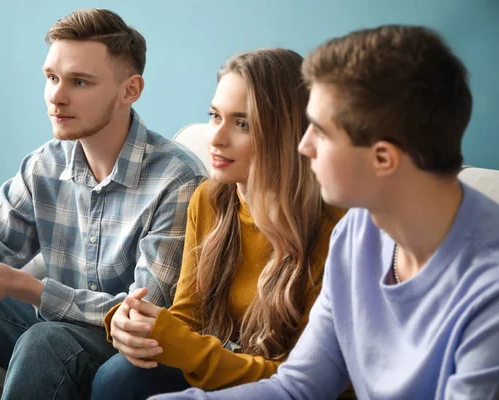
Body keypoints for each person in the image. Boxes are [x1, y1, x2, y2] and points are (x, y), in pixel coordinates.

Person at [153, 25, 499, 400]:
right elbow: (299, 387)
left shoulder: (488, 286)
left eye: (320, 131)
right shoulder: (356, 232)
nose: (301, 145)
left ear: (383, 158)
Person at [0, 8, 206, 400]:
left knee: (45, 339)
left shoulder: (179, 181)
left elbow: (146, 316)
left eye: (79, 82)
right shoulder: (44, 165)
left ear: (129, 90)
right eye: (51, 78)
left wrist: (29, 288)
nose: (56, 96)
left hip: (125, 352)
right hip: (52, 332)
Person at [91, 48, 350, 400]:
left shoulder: (336, 229)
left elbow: (301, 381)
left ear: (288, 133)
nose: (216, 138)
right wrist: (127, 322)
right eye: (215, 116)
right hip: (230, 366)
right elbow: (188, 315)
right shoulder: (210, 200)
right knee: (120, 375)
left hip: (292, 389)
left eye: (242, 123)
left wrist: (182, 344)